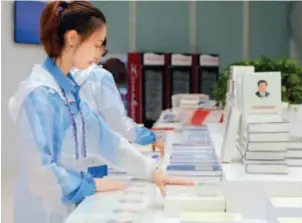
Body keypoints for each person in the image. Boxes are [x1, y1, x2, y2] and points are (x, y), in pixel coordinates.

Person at [8, 2, 193, 223]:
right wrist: (91, 184)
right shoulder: (40, 95)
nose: (100, 53)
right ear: (73, 39)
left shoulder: (68, 92)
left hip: (68, 210)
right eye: (97, 45)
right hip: (43, 214)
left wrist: (152, 172)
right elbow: (39, 172)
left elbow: (107, 140)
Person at [73, 48, 165, 155]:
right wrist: (148, 137)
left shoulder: (79, 76)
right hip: (91, 153)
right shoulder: (102, 79)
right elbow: (118, 122)